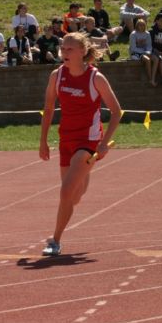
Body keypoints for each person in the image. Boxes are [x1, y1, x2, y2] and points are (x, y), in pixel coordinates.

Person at [39, 32, 122, 257]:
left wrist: (104, 144)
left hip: (89, 139)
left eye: (70, 49)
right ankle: (83, 176)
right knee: (74, 196)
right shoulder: (57, 76)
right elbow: (48, 109)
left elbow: (116, 112)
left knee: (66, 192)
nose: (64, 53)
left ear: (83, 52)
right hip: (66, 138)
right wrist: (43, 141)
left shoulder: (95, 78)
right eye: (63, 49)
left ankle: (55, 240)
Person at [128, 18, 154, 83]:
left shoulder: (147, 34)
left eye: (143, 25)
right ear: (137, 26)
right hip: (136, 53)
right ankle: (150, 78)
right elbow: (133, 48)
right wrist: (144, 53)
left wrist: (148, 52)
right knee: (147, 60)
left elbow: (149, 45)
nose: (142, 27)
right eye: (140, 25)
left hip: (146, 52)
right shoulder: (133, 34)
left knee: (156, 59)